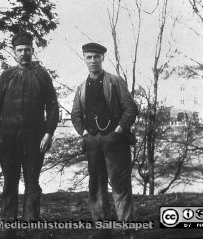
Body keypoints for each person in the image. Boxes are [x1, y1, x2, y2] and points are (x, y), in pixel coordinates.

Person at [0, 32, 59, 236]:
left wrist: (48, 133)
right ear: (14, 52)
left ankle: (31, 228)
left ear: (32, 50)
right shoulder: (7, 76)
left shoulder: (42, 75)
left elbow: (52, 107)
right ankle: (8, 228)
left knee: (32, 183)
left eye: (27, 50)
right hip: (8, 139)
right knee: (9, 182)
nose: (23, 54)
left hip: (35, 139)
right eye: (19, 50)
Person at [71, 42, 138, 237]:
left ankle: (127, 228)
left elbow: (131, 108)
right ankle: (102, 227)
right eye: (89, 57)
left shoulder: (114, 82)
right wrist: (84, 134)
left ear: (102, 58)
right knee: (96, 184)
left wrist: (118, 130)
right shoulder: (81, 88)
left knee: (120, 184)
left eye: (96, 57)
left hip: (115, 141)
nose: (93, 61)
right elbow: (76, 115)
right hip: (92, 142)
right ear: (84, 58)